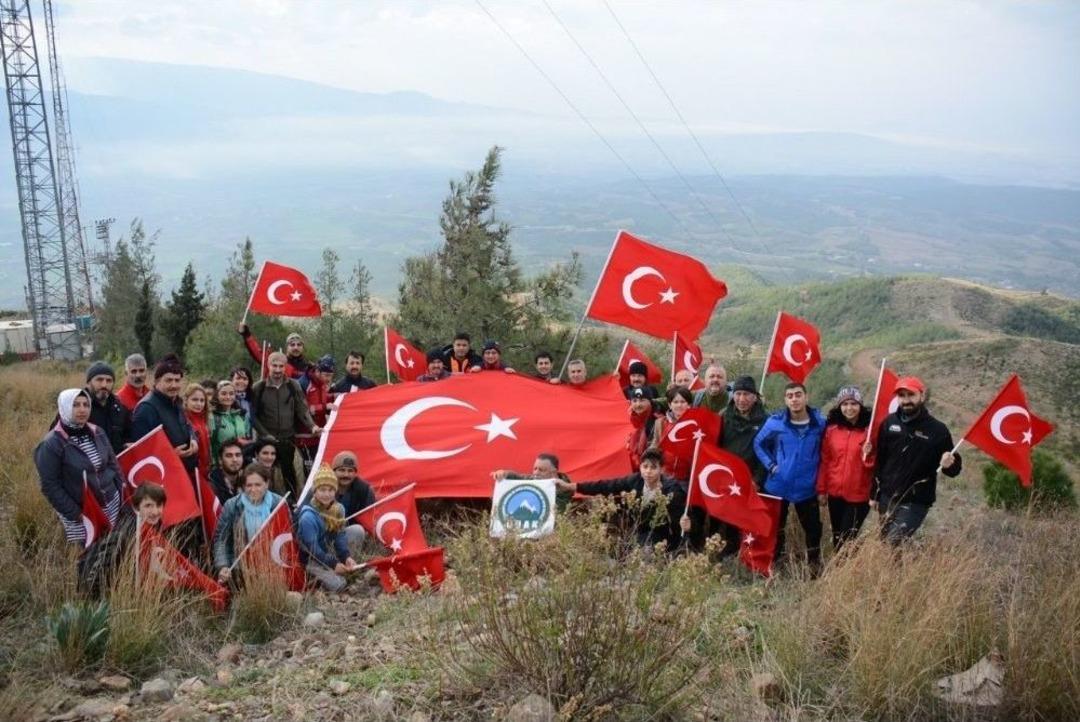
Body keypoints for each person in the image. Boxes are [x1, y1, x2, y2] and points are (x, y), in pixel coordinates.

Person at [871, 376, 961, 545]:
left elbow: (954, 470)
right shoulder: (889, 423)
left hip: (916, 501)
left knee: (893, 541)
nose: (906, 400)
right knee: (884, 544)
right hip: (887, 497)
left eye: (910, 395)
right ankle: (899, 571)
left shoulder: (938, 430)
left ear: (922, 395)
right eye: (902, 396)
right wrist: (874, 494)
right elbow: (880, 460)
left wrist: (950, 464)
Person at [753, 382, 826, 574]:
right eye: (790, 396)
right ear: (785, 400)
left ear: (806, 397)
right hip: (778, 486)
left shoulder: (819, 424)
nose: (794, 399)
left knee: (813, 529)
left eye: (798, 394)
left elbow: (828, 450)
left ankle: (814, 564)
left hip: (806, 487)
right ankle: (773, 562)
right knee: (776, 528)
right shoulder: (776, 422)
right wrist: (771, 465)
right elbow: (759, 443)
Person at [35, 389, 124, 546]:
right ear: (64, 407)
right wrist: (76, 514)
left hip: (111, 504)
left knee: (114, 548)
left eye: (86, 404)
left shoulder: (98, 432)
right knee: (89, 557)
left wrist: (120, 490)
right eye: (75, 405)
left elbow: (113, 464)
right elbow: (50, 486)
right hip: (83, 514)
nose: (82, 409)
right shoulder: (51, 444)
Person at [557, 448, 685, 550]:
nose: (648, 471)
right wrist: (572, 486)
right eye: (645, 467)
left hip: (664, 537)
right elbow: (606, 486)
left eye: (653, 467)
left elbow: (682, 520)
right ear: (640, 467)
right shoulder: (635, 480)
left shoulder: (672, 490)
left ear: (661, 469)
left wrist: (688, 527)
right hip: (638, 533)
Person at [711, 375, 769, 557]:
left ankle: (749, 554)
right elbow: (715, 445)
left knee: (746, 518)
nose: (742, 399)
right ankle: (725, 550)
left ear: (755, 397)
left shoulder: (765, 420)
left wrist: (757, 479)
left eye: (746, 394)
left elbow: (767, 452)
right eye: (738, 394)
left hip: (751, 478)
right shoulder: (723, 416)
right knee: (726, 516)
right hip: (726, 477)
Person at [251, 352, 320, 498]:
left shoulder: (293, 385)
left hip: (287, 438)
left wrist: (312, 426)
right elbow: (253, 416)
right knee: (265, 475)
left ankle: (291, 501)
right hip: (266, 441)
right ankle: (262, 500)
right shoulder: (259, 387)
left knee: (289, 474)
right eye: (274, 366)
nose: (277, 370)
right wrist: (265, 435)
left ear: (285, 367)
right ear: (268, 366)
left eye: (281, 366)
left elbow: (302, 408)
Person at [78, 483, 166, 597]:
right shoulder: (126, 530)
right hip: (103, 590)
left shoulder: (156, 524)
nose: (155, 511)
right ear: (136, 507)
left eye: (159, 505)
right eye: (148, 506)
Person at [816, 386, 876, 552]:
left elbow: (875, 464)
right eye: (845, 404)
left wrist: (869, 455)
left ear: (860, 405)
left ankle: (841, 571)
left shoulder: (870, 431)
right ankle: (844, 568)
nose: (849, 408)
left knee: (847, 536)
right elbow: (825, 460)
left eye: (853, 403)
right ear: (839, 406)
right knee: (838, 535)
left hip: (859, 494)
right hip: (835, 493)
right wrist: (822, 490)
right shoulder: (831, 430)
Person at [213, 463, 285, 585]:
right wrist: (223, 565)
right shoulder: (232, 506)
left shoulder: (278, 503)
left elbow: (288, 535)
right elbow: (221, 540)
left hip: (273, 565)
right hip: (241, 568)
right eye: (249, 485)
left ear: (267, 484)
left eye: (258, 485)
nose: (253, 489)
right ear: (243, 486)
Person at [131, 354, 199, 474]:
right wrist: (170, 455)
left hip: (186, 472)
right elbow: (142, 454)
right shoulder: (146, 409)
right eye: (168, 380)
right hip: (165, 478)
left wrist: (193, 439)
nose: (174, 385)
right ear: (157, 381)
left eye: (177, 380)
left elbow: (187, 425)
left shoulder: (176, 401)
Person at [297, 465, 359, 592]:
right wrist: (333, 563)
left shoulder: (339, 509)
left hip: (328, 549)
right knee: (339, 584)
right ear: (314, 491)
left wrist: (346, 556)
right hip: (311, 558)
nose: (327, 494)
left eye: (331, 490)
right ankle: (314, 577)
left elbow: (339, 535)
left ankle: (346, 565)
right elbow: (313, 549)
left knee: (357, 530)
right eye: (322, 490)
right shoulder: (307, 517)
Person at [491, 452, 573, 511]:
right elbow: (517, 476)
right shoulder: (533, 479)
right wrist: (503, 473)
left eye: (541, 470)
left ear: (554, 472)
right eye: (535, 468)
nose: (536, 473)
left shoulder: (565, 489)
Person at [238, 324, 312, 389]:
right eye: (292, 345)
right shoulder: (278, 362)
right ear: (287, 347)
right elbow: (258, 354)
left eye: (299, 345)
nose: (296, 347)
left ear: (303, 347)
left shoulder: (309, 367)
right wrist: (247, 335)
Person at [330, 451, 377, 548]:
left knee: (358, 530)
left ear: (355, 473)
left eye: (350, 471)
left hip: (349, 534)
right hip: (324, 535)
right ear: (333, 471)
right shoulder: (321, 486)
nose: (346, 475)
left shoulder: (365, 490)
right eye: (342, 470)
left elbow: (370, 520)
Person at [85, 360, 132, 454]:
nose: (104, 385)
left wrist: (125, 446)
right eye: (99, 380)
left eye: (109, 380)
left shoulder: (120, 410)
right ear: (89, 382)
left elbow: (129, 438)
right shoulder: (76, 407)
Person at [209, 380, 254, 464]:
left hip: (241, 462)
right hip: (221, 463)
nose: (228, 397)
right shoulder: (212, 417)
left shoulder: (241, 415)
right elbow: (210, 444)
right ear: (217, 395)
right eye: (224, 393)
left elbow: (247, 437)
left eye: (231, 393)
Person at [183, 383, 212, 482]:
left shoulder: (204, 420)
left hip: (205, 471)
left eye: (202, 400)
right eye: (194, 400)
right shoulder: (183, 420)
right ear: (186, 400)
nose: (199, 404)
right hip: (191, 472)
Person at [627, 388, 658, 470]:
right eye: (634, 401)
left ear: (650, 402)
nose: (638, 404)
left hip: (649, 471)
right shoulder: (628, 421)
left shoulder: (657, 422)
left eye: (642, 400)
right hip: (631, 470)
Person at [209, 438, 245, 503]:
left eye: (238, 455)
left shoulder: (247, 480)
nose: (235, 459)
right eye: (229, 456)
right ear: (220, 460)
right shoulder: (212, 485)